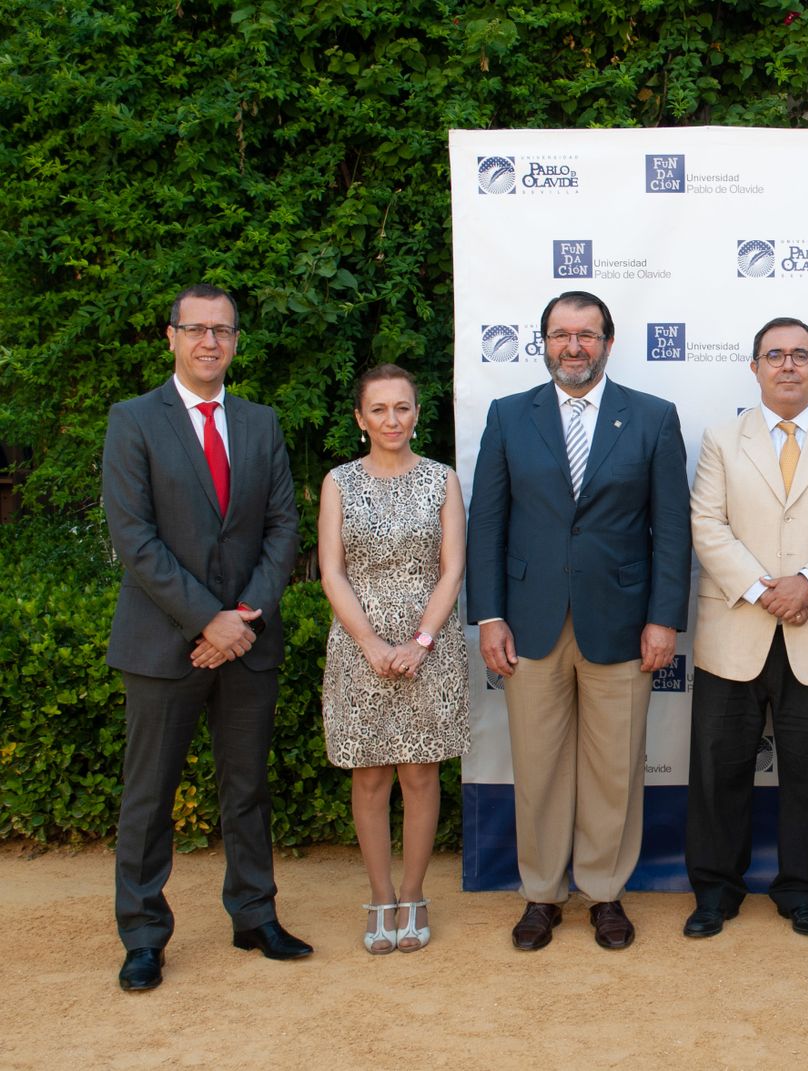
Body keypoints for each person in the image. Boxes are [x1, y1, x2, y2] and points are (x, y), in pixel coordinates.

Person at [467, 290, 691, 952]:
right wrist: (488, 615)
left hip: (622, 622)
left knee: (613, 766)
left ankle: (604, 892)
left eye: (586, 334)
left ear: (608, 343)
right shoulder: (510, 417)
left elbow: (671, 529)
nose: (574, 345)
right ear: (543, 342)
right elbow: (488, 525)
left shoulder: (651, 417)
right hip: (529, 621)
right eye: (561, 334)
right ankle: (541, 893)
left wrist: (663, 618)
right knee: (536, 765)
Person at [102, 283, 307, 992]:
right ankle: (143, 934)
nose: (210, 341)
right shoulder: (133, 421)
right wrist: (207, 619)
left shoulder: (260, 422)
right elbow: (134, 538)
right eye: (196, 329)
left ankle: (254, 913)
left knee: (247, 788)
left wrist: (241, 616)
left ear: (236, 341)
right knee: (148, 795)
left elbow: (283, 528)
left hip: (247, 642)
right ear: (171, 337)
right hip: (164, 645)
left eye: (222, 330)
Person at [683, 316, 808, 940]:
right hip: (734, 631)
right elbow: (707, 524)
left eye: (801, 355)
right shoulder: (720, 438)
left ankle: (801, 892)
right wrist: (763, 590)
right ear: (755, 368)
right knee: (718, 774)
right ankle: (715, 892)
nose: (788, 365)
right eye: (775, 355)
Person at [318, 363, 470, 954]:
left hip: (429, 645)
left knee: (421, 772)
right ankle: (380, 897)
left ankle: (413, 895)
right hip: (360, 646)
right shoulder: (338, 482)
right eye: (378, 409)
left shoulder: (443, 480)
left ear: (417, 413)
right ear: (360, 419)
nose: (392, 419)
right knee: (372, 774)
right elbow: (332, 569)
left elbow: (452, 566)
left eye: (402, 407)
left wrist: (421, 642)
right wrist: (373, 644)